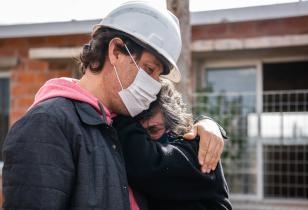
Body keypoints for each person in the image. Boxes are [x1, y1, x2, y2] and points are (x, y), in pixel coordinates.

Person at [2, 2, 224, 210]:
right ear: (116, 51)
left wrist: (207, 125)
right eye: (149, 69)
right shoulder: (48, 124)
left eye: (159, 75)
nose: (155, 85)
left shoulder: (119, 123)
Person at [114, 80, 232, 210]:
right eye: (139, 131)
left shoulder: (198, 150)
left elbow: (147, 164)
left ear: (173, 127)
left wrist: (120, 113)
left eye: (153, 130)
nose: (143, 140)